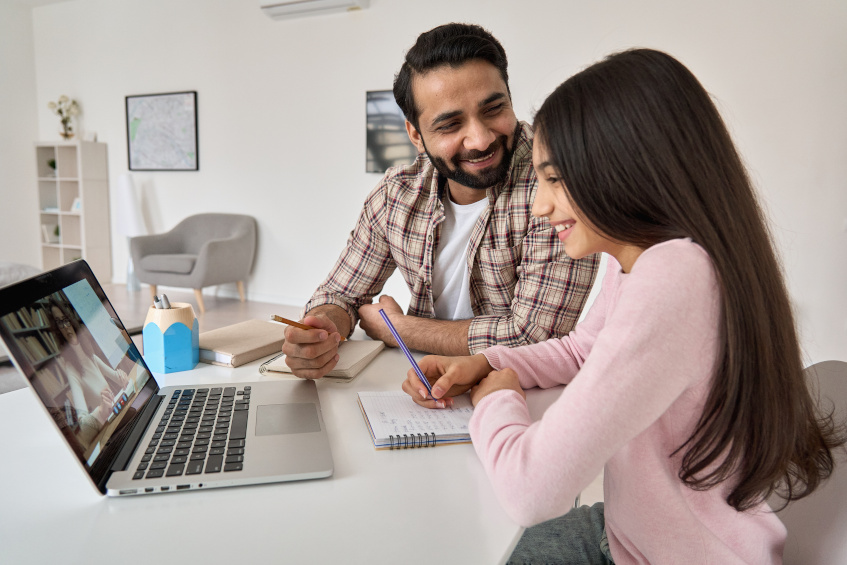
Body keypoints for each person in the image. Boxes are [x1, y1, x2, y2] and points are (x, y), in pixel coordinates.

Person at [401, 49, 845, 564]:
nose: (542, 205)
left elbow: (531, 491)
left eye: (556, 179)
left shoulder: (676, 276)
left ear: (623, 169)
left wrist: (496, 399)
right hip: (631, 533)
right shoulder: (641, 252)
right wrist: (492, 362)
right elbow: (583, 348)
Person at [282, 23, 599, 379]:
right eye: (450, 125)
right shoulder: (397, 196)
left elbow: (536, 337)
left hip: (527, 397)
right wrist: (322, 330)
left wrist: (398, 329)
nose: (479, 139)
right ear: (416, 135)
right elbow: (340, 294)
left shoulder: (557, 182)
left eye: (494, 109)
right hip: (426, 390)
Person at [47, 298, 131, 447]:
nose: (65, 326)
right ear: (57, 329)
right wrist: (100, 410)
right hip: (108, 432)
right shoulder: (70, 368)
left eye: (65, 320)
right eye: (59, 322)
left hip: (119, 416)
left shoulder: (89, 355)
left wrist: (121, 376)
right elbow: (83, 424)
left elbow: (117, 378)